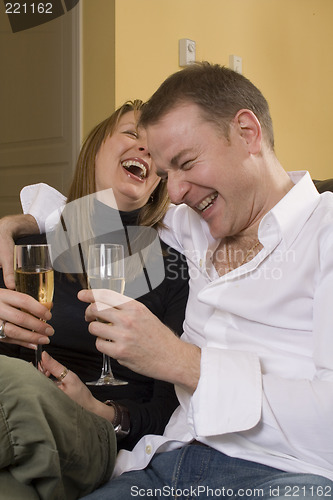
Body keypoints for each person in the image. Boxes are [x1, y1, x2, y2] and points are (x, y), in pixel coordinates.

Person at [1, 62, 333, 499]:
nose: (172, 191)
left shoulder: (323, 232)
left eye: (186, 163)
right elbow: (91, 211)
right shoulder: (191, 225)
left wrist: (180, 361)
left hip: (282, 477)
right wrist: (17, 223)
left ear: (248, 133)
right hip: (158, 465)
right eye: (165, 172)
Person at [0, 100, 189, 454]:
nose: (145, 147)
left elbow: (167, 410)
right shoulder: (26, 251)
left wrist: (99, 412)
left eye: (156, 147)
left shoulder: (173, 269)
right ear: (95, 147)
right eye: (132, 133)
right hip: (17, 422)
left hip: (91, 436)